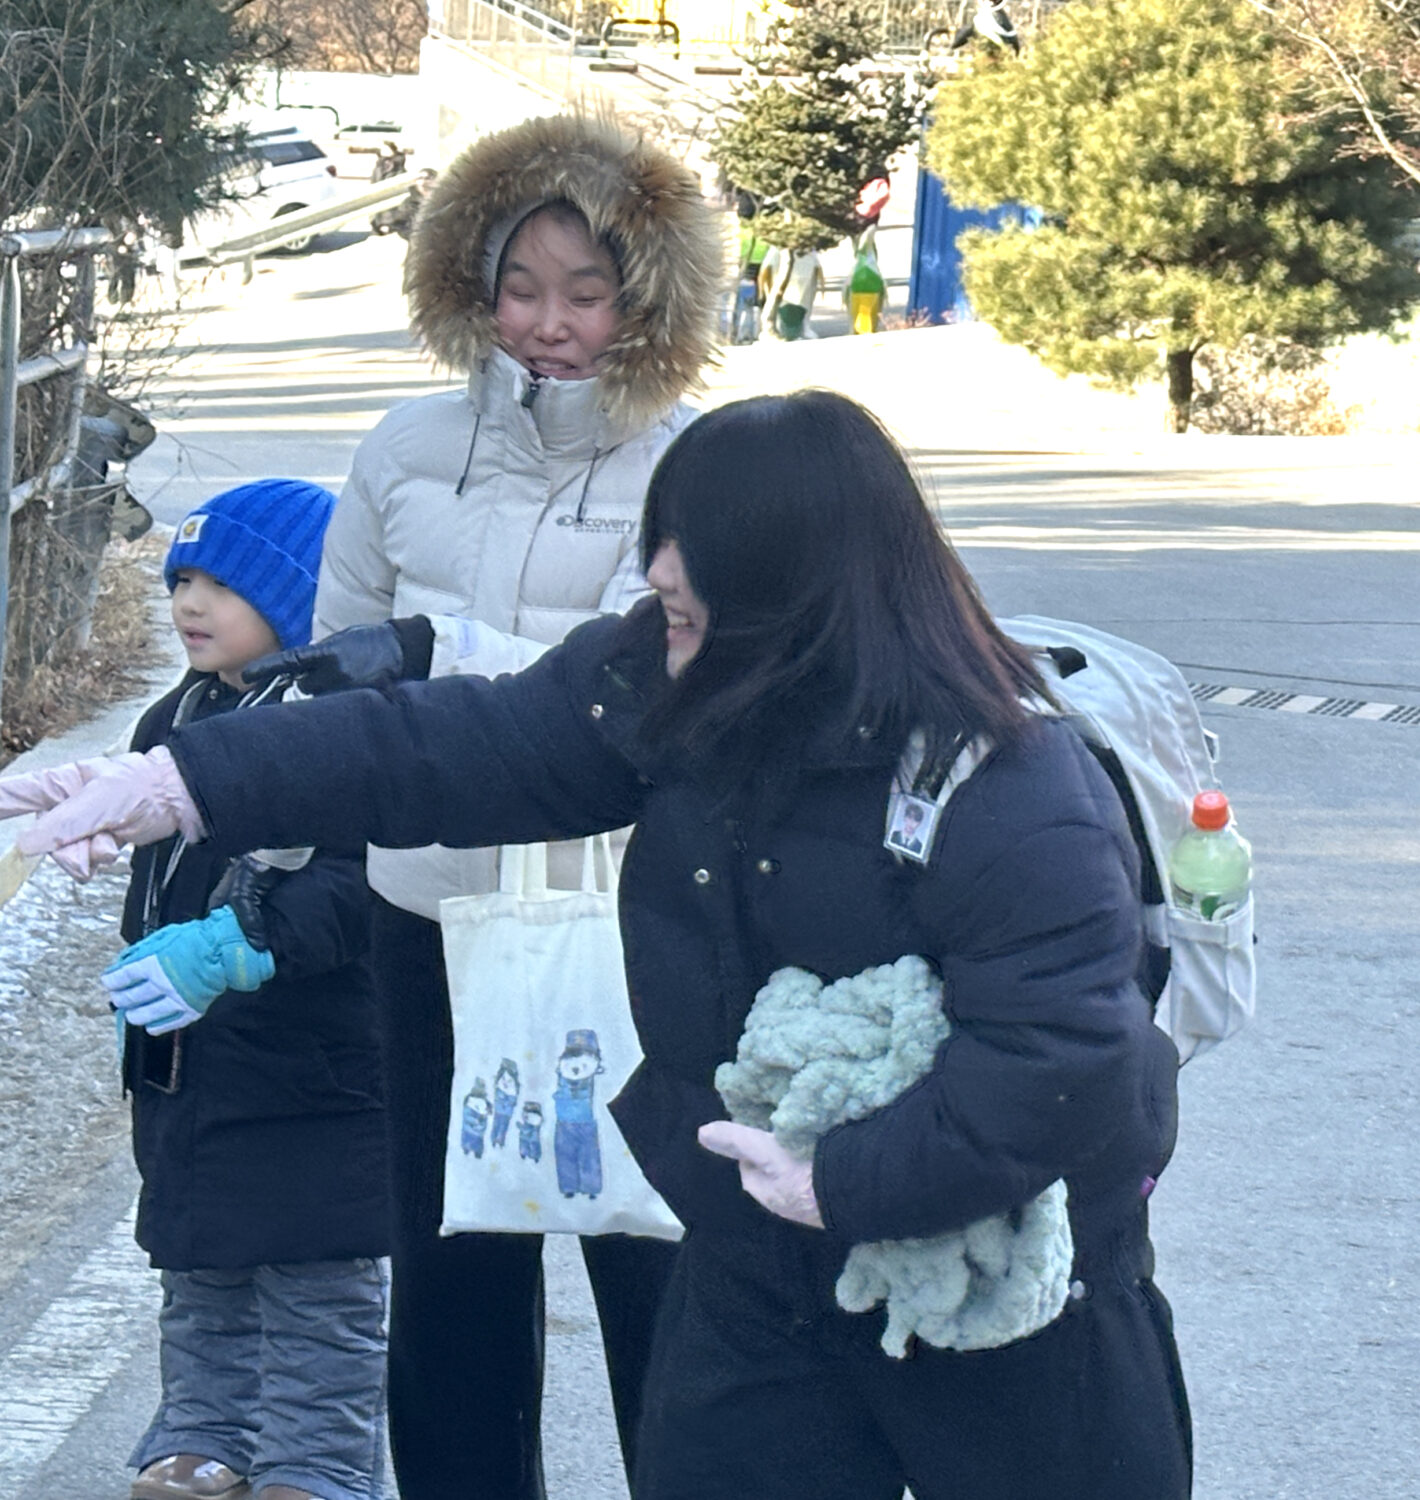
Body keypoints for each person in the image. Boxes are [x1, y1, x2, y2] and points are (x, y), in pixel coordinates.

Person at [3, 391, 1192, 1500]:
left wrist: (839, 1184)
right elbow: (446, 746)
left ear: (788, 594)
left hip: (1004, 1287)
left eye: (684, 591)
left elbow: (1062, 1059)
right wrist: (180, 781)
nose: (657, 607)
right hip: (756, 1268)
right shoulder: (680, 682)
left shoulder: (1012, 787)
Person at [278, 112, 723, 1500]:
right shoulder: (405, 447)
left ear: (643, 297)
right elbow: (342, 662)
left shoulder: (692, 467)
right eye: (520, 287)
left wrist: (432, 659)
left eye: (585, 290)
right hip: (433, 908)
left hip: (624, 917)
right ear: (471, 289)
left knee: (652, 1247)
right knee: (451, 1253)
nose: (549, 323)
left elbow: (637, 687)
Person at [70, 480, 387, 1500]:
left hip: (313, 1062)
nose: (189, 604)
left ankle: (316, 1460)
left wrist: (240, 944)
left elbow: (360, 885)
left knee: (315, 1276)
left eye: (224, 584)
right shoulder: (175, 715)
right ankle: (205, 1431)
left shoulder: (340, 726)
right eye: (181, 580)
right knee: (200, 1257)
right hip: (189, 1055)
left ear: (300, 601)